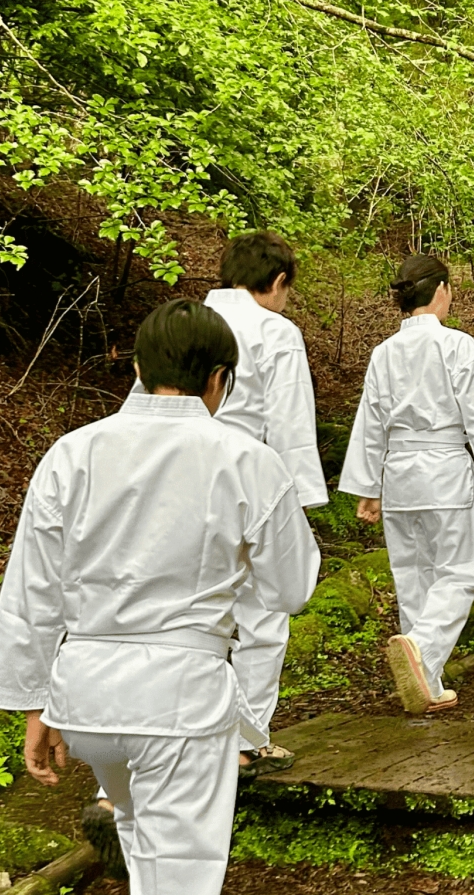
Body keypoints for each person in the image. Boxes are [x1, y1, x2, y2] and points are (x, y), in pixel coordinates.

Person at [0, 299, 320, 895]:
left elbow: (32, 591)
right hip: (180, 700)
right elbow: (290, 590)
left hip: (84, 696)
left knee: (137, 833)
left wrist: (36, 702)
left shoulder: (72, 453)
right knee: (183, 870)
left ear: (137, 365)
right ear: (220, 379)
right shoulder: (247, 459)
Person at [339, 255, 474, 715]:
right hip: (445, 467)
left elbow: (370, 422)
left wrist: (369, 487)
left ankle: (425, 682)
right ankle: (421, 648)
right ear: (441, 290)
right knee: (461, 573)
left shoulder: (384, 352)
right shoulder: (457, 346)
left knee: (413, 579)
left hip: (398, 472)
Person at [200, 231, 328, 776]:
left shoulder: (189, 320)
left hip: (179, 472)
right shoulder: (275, 330)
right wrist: (298, 501)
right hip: (249, 475)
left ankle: (192, 731)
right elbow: (291, 422)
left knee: (196, 612)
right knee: (262, 612)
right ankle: (247, 738)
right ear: (277, 282)